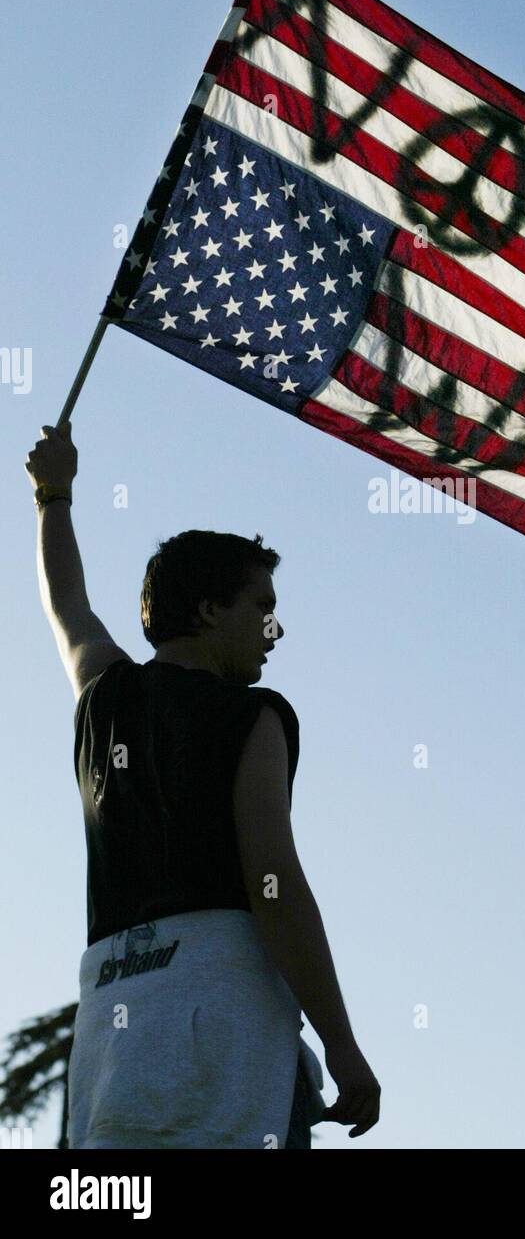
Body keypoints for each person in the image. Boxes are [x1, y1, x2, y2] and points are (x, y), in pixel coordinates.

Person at [25, 421, 380, 1148]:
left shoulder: (103, 695)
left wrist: (53, 496)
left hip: (112, 1042)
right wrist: (343, 1048)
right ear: (212, 610)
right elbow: (272, 882)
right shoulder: (252, 716)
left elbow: (67, 605)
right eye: (260, 607)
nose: (272, 630)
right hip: (222, 1031)